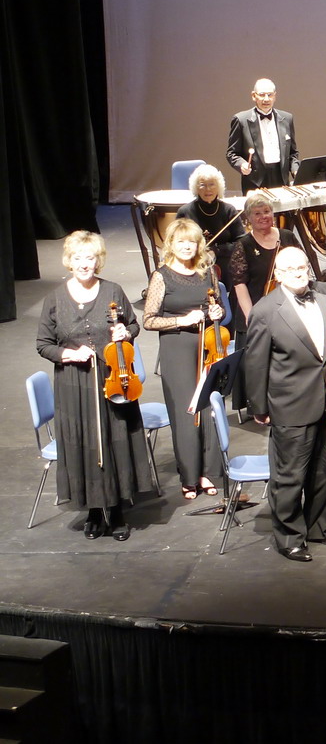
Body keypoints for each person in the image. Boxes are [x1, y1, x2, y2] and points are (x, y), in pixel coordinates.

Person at [36, 231, 154, 541]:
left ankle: (115, 509)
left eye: (90, 258)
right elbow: (43, 344)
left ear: (97, 260)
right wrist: (69, 353)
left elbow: (132, 324)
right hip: (74, 384)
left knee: (114, 440)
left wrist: (124, 334)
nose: (85, 264)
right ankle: (91, 510)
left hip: (112, 375)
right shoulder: (55, 299)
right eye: (78, 258)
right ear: (69, 261)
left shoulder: (112, 290)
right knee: (85, 444)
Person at [241, 246, 326, 561]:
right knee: (290, 476)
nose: (301, 273)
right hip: (290, 403)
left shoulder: (325, 296)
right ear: (279, 275)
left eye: (304, 267)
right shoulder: (265, 310)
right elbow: (256, 363)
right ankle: (289, 538)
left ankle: (319, 527)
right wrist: (259, 407)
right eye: (293, 269)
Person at [142, 218, 226, 501]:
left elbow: (220, 309)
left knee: (208, 409)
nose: (187, 246)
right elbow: (149, 321)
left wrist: (217, 314)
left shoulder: (208, 273)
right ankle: (189, 476)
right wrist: (181, 320)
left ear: (198, 244)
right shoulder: (161, 276)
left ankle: (210, 473)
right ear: (171, 245)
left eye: (191, 241)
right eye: (181, 242)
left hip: (207, 346)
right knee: (186, 412)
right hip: (177, 348)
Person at [227, 190, 303, 326]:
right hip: (256, 310)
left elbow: (302, 265)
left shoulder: (287, 236)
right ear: (248, 218)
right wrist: (251, 316)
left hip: (288, 310)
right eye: (257, 213)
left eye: (266, 211)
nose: (263, 216)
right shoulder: (244, 245)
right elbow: (240, 285)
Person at [226, 78, 298, 192]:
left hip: (281, 179)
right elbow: (232, 153)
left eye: (269, 95)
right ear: (254, 96)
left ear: (275, 96)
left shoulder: (287, 119)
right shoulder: (241, 120)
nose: (266, 99)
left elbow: (292, 153)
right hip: (255, 181)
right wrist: (242, 164)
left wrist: (295, 170)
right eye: (262, 95)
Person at [175, 163, 242, 264]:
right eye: (203, 185)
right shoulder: (184, 212)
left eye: (212, 184)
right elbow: (176, 242)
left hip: (226, 263)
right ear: (196, 188)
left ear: (219, 186)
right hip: (193, 262)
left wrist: (216, 250)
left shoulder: (229, 210)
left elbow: (241, 242)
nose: (208, 189)